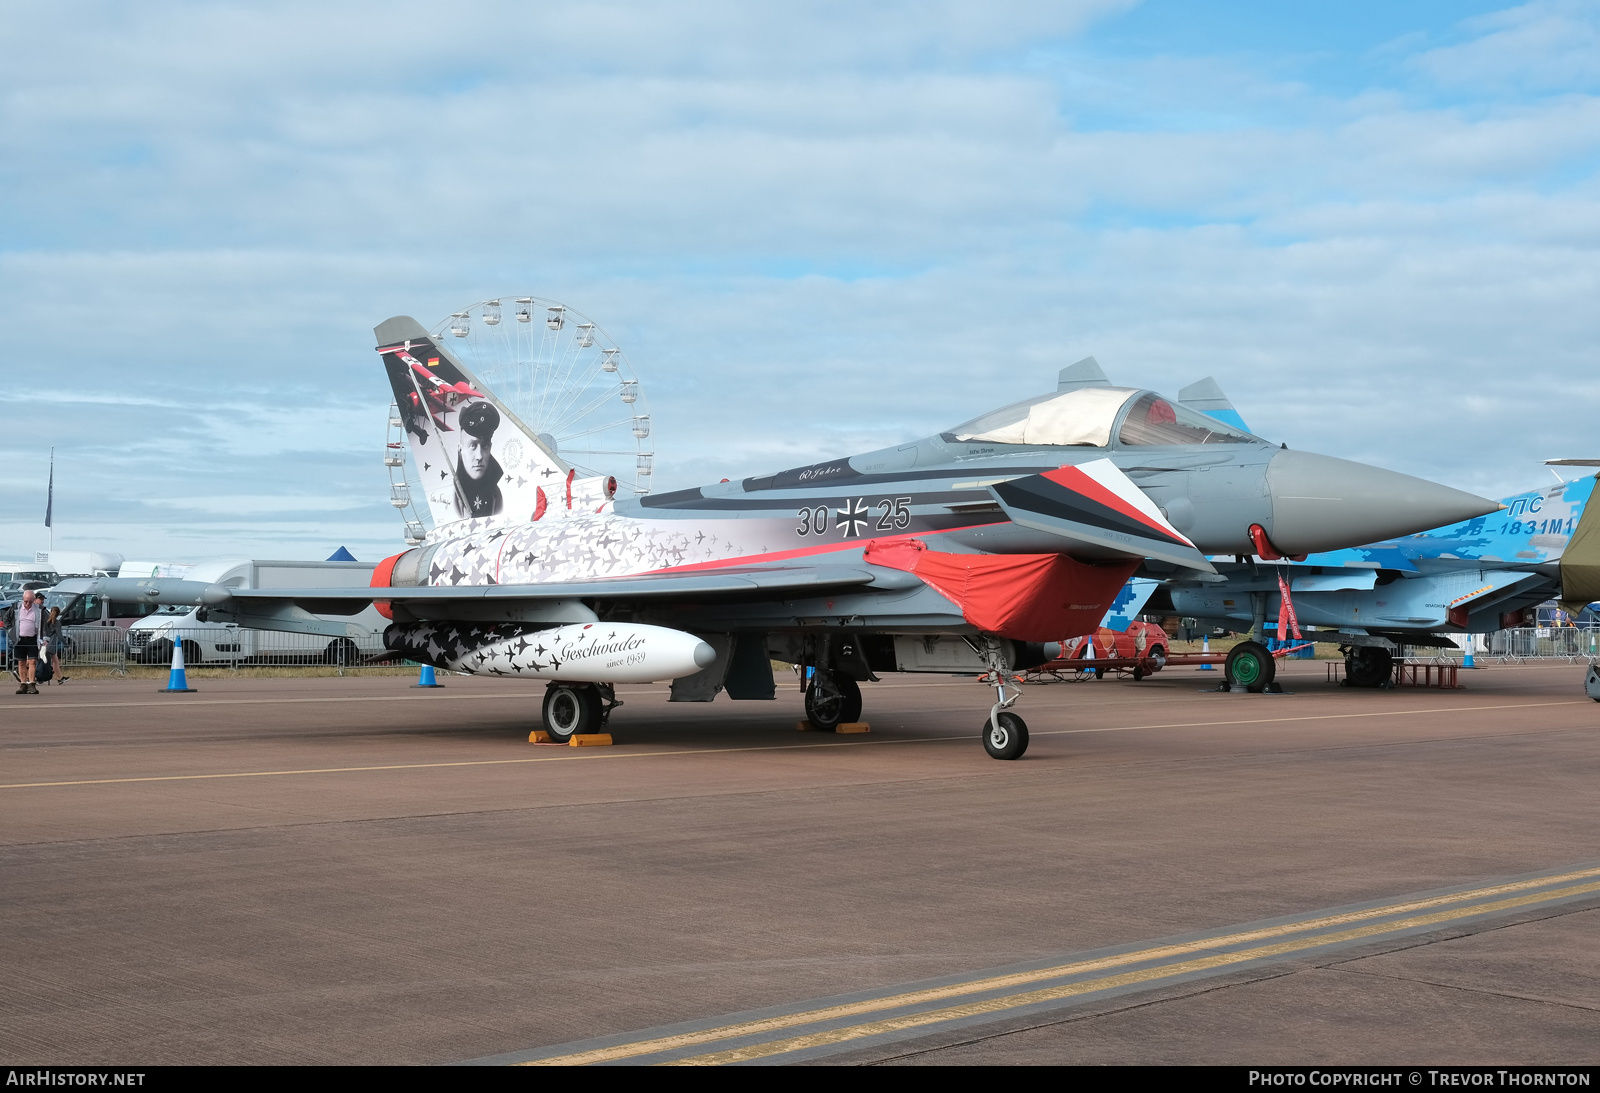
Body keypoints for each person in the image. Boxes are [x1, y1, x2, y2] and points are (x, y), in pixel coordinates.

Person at [453, 399, 505, 518]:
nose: (479, 457)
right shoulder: (455, 498)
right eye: (472, 446)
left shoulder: (495, 495)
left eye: (485, 446)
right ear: (460, 450)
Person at [9, 589, 42, 694]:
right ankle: (23, 684)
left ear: (34, 600)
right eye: (26, 601)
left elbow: (47, 623)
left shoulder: (39, 610)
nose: (28, 604)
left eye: (30, 602)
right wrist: (10, 630)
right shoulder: (15, 608)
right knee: (21, 662)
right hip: (19, 639)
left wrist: (45, 638)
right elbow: (6, 619)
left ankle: (32, 684)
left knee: (32, 662)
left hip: (32, 638)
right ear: (22, 599)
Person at [42, 605, 66, 685]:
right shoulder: (57, 622)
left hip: (44, 643)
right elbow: (60, 635)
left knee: (53, 661)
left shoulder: (47, 622)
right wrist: (66, 644)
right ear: (58, 613)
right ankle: (37, 677)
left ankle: (60, 678)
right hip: (51, 644)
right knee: (53, 662)